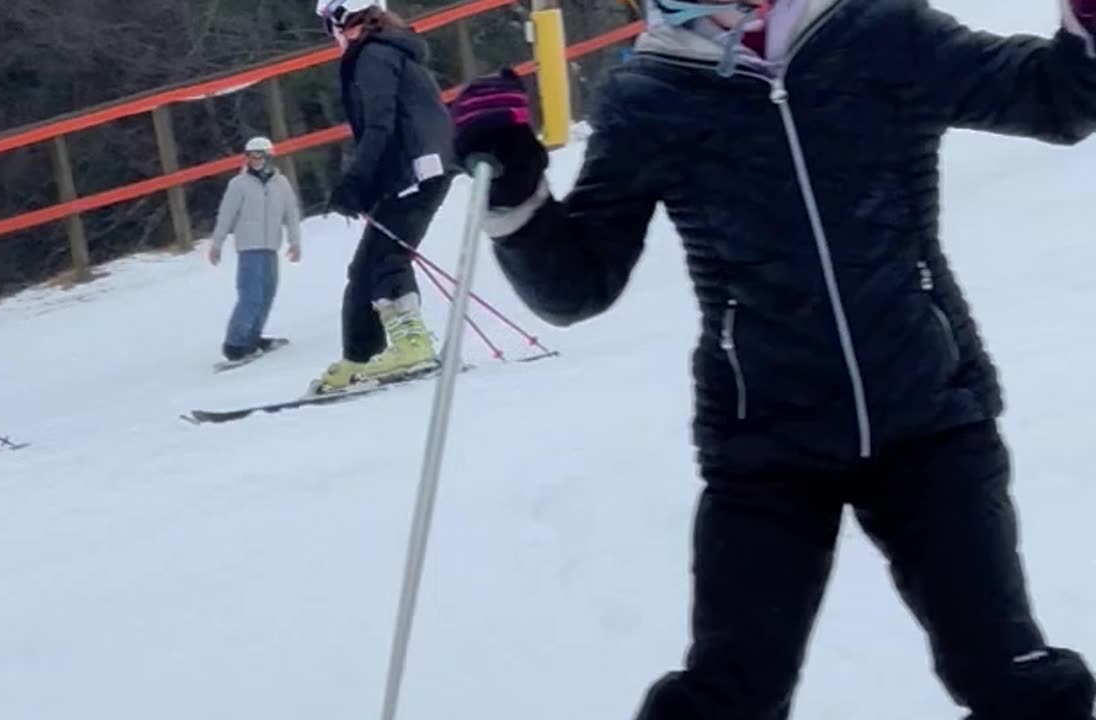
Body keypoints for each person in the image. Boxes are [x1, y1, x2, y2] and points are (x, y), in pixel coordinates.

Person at [450, 0, 1096, 718]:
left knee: (1016, 682)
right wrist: (511, 187)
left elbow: (1056, 98)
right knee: (727, 696)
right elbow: (575, 285)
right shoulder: (653, 94)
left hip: (930, 420)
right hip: (767, 447)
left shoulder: (880, 31)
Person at [310, 0, 457, 394]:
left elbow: (381, 125)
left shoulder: (373, 55)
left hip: (415, 170)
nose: (332, 35)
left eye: (330, 24)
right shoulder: (391, 48)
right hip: (416, 167)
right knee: (364, 268)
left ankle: (413, 345)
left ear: (345, 17)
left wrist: (356, 182)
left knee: (385, 259)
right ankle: (359, 357)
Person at [208, 136, 303, 362]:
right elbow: (226, 214)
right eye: (250, 156)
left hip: (271, 245)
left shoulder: (281, 184)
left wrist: (295, 241)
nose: (255, 161)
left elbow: (291, 213)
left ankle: (252, 337)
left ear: (269, 157)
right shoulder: (238, 184)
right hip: (249, 246)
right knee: (251, 295)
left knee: (267, 293)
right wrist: (217, 243)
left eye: (259, 156)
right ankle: (235, 343)